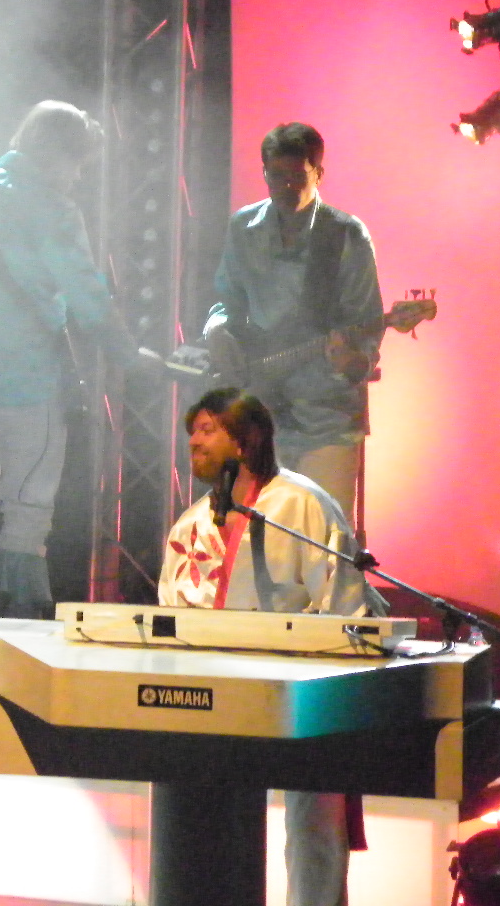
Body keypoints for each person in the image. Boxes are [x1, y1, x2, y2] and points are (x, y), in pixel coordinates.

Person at [0, 100, 147, 618]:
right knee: (27, 513)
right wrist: (127, 353)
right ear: (57, 154)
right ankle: (6, 631)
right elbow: (85, 294)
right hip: (27, 384)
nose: (77, 177)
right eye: (77, 163)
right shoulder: (54, 209)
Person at [157, 386, 387, 906]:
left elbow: (346, 605)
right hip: (216, 700)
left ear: (246, 439)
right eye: (191, 431)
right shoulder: (191, 525)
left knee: (313, 828)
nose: (193, 442)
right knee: (211, 826)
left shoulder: (300, 505)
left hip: (304, 696)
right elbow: (172, 615)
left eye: (208, 429)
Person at [205, 122, 383, 519]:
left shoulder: (347, 235)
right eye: (276, 176)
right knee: (256, 536)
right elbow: (227, 299)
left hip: (326, 415)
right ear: (264, 172)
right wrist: (216, 329)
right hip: (260, 412)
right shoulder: (243, 228)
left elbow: (367, 320)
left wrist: (352, 361)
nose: (286, 187)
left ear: (319, 173)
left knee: (324, 537)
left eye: (297, 177)